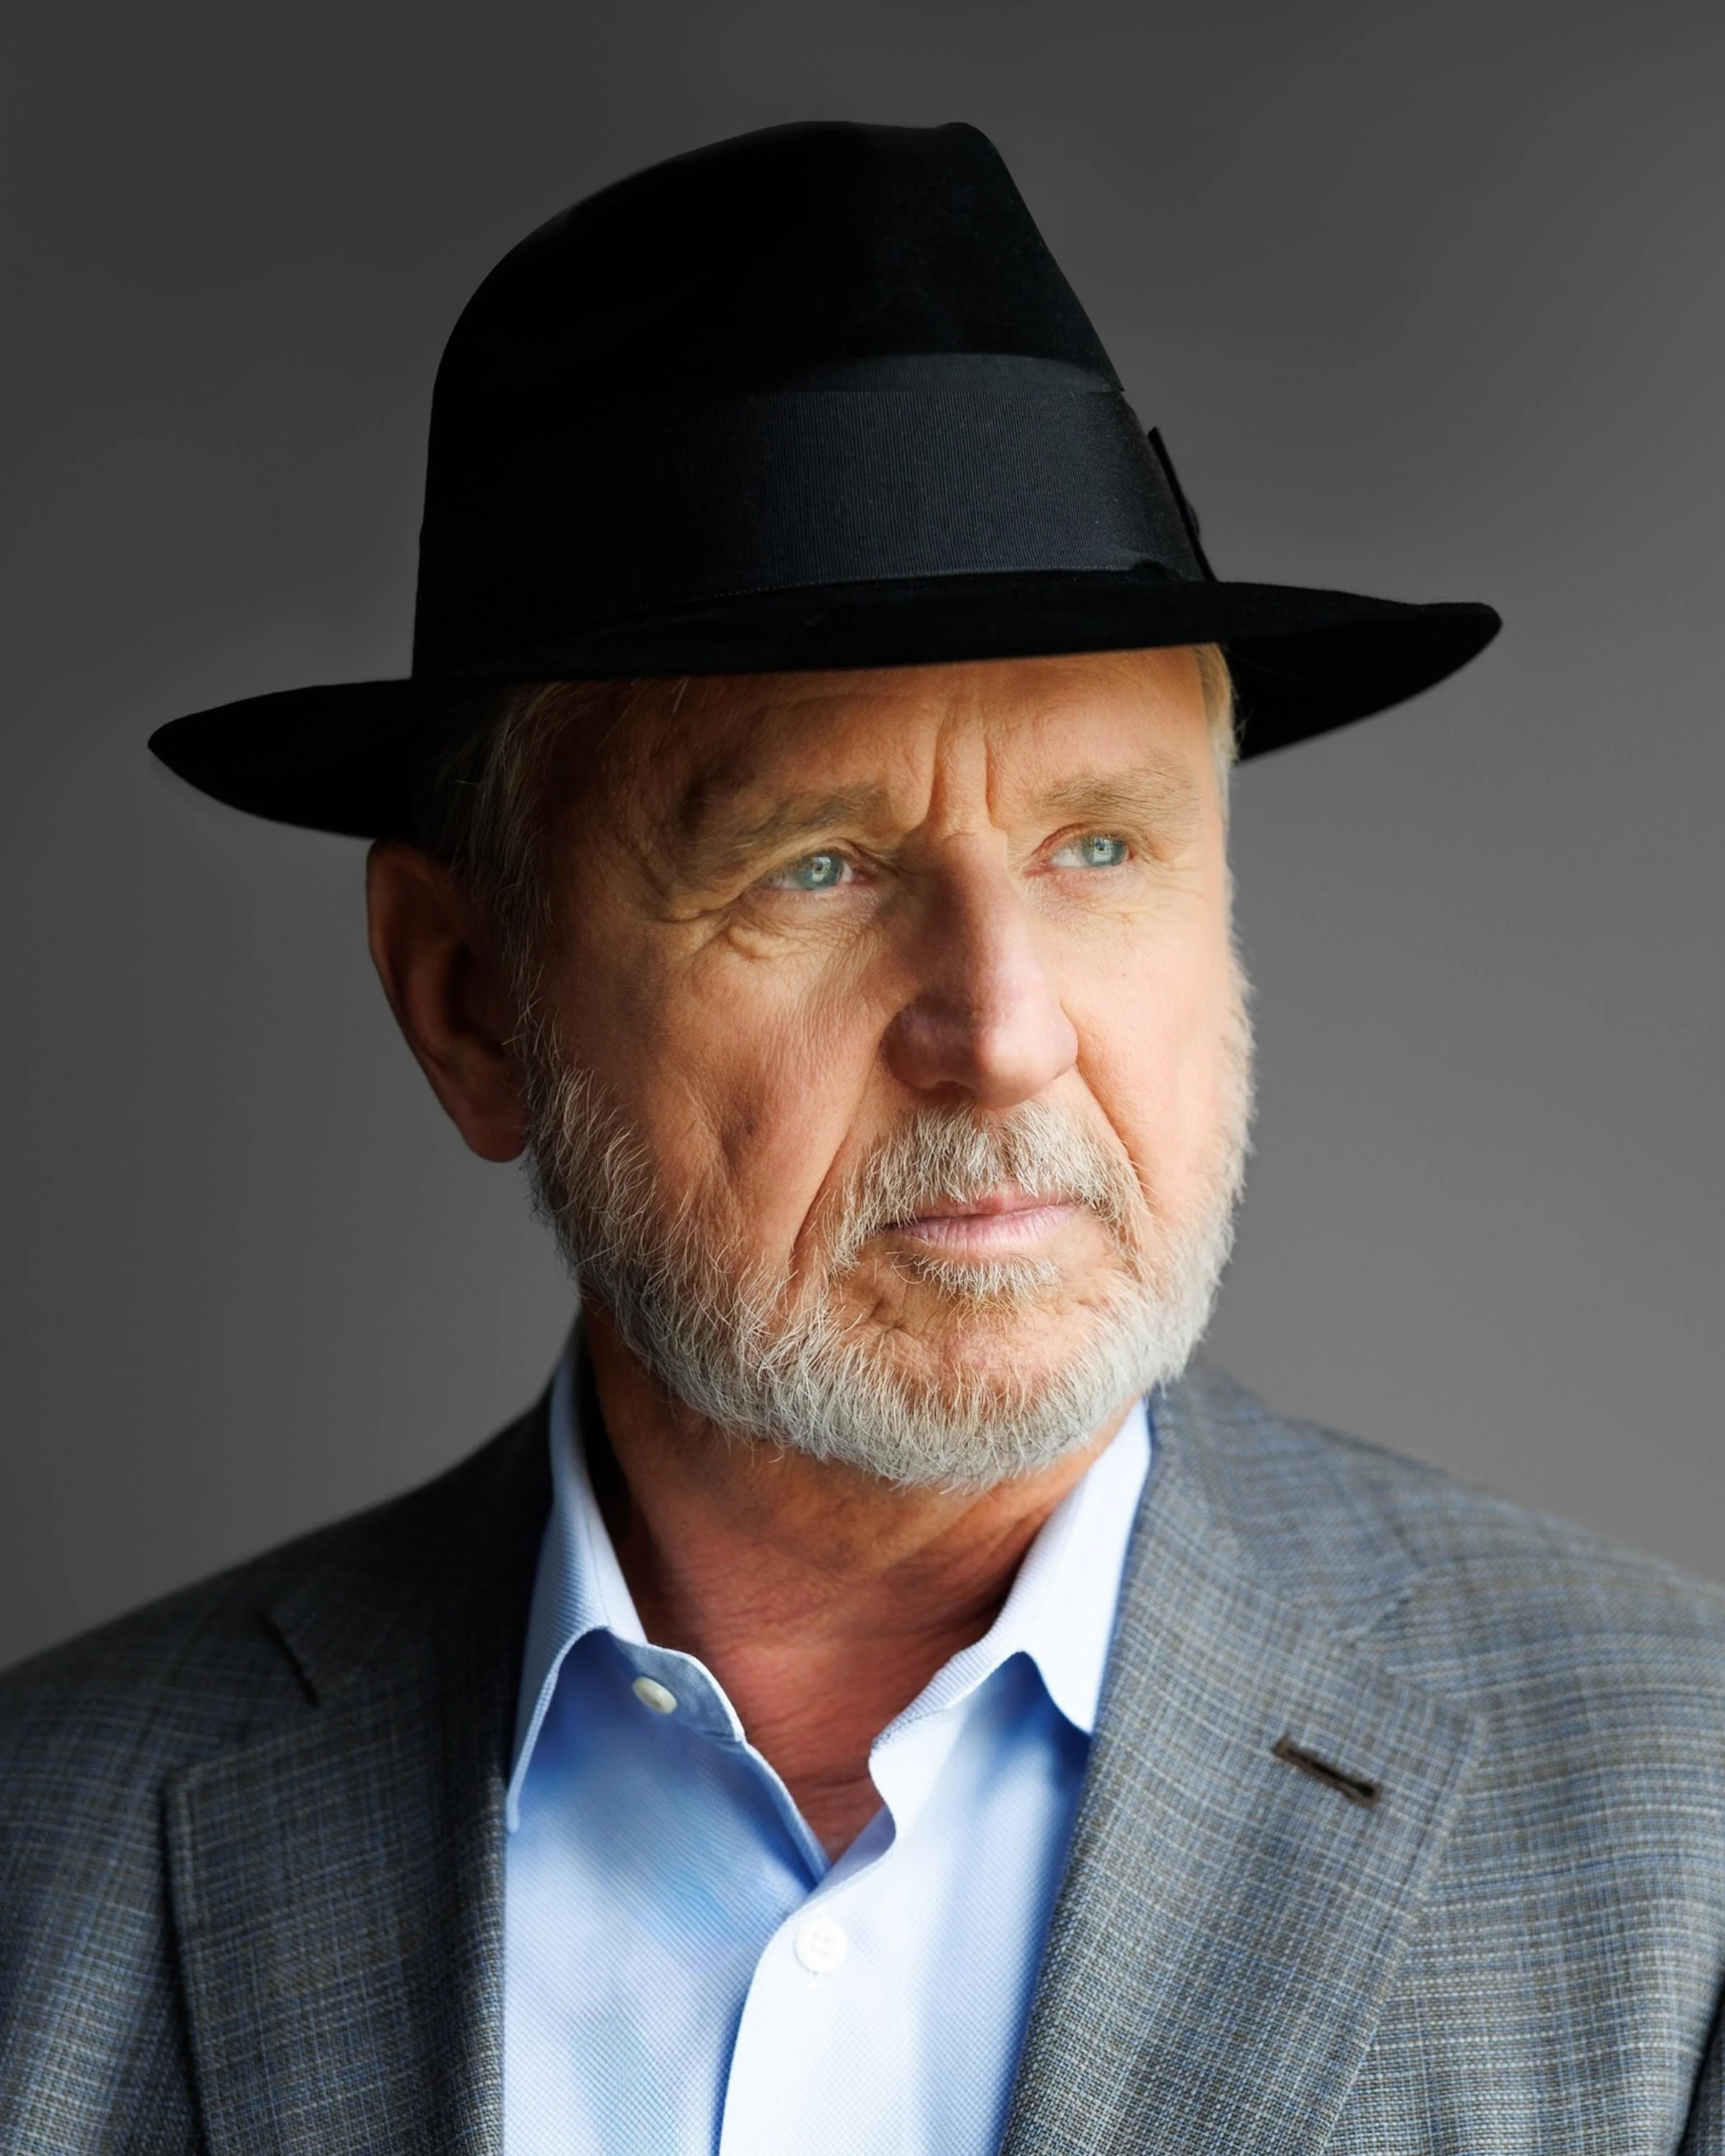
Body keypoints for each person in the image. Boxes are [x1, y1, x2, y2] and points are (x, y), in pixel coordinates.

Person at [1, 119, 1721, 2154]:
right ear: (470, 999)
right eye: (816, 869)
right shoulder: (43, 1867)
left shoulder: (1684, 1844)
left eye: (1104, 846)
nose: (999, 1034)